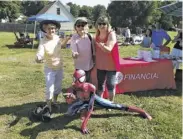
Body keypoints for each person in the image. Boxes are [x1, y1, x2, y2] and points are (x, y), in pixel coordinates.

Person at [64, 70, 152, 134]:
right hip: (82, 102)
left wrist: (84, 125)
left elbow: (91, 107)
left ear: (83, 79)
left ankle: (142, 111)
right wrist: (70, 98)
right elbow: (69, 102)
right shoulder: (71, 89)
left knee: (117, 106)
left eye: (78, 79)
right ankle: (82, 111)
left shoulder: (90, 88)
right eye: (75, 79)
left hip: (94, 100)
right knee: (70, 112)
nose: (76, 82)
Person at [35, 20, 70, 112]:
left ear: (56, 29)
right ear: (45, 30)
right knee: (49, 88)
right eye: (49, 28)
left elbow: (62, 46)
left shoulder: (57, 38)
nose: (51, 30)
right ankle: (48, 105)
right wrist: (39, 58)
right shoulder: (43, 41)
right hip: (49, 68)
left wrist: (66, 40)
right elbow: (40, 52)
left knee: (58, 87)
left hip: (59, 67)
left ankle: (55, 101)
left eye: (53, 28)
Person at [95, 16, 120, 102]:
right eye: (100, 24)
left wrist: (102, 46)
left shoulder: (111, 34)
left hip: (111, 65)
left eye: (104, 24)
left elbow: (109, 49)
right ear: (97, 25)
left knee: (110, 85)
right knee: (100, 85)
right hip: (100, 65)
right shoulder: (97, 34)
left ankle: (110, 103)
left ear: (107, 24)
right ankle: (101, 102)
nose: (102, 25)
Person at [70, 17, 95, 82]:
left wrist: (95, 61)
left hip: (89, 65)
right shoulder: (74, 37)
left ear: (86, 26)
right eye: (78, 25)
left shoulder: (90, 36)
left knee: (88, 82)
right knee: (80, 84)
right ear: (75, 27)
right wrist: (74, 54)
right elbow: (74, 49)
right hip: (79, 66)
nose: (81, 27)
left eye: (83, 25)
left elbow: (94, 50)